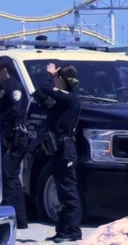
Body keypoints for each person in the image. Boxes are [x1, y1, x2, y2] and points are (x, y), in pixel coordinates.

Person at [40, 64, 83, 243]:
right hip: (59, 148)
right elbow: (41, 94)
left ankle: (73, 231)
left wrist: (49, 76)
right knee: (61, 191)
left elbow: (46, 89)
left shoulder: (69, 98)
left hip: (66, 149)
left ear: (61, 79)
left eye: (57, 77)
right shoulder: (63, 98)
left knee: (68, 192)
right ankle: (62, 230)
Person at [0, 56, 29, 229]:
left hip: (14, 140)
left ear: (4, 71)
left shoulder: (14, 88)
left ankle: (14, 218)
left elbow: (15, 111)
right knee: (9, 178)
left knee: (9, 178)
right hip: (5, 139)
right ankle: (18, 219)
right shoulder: (2, 88)